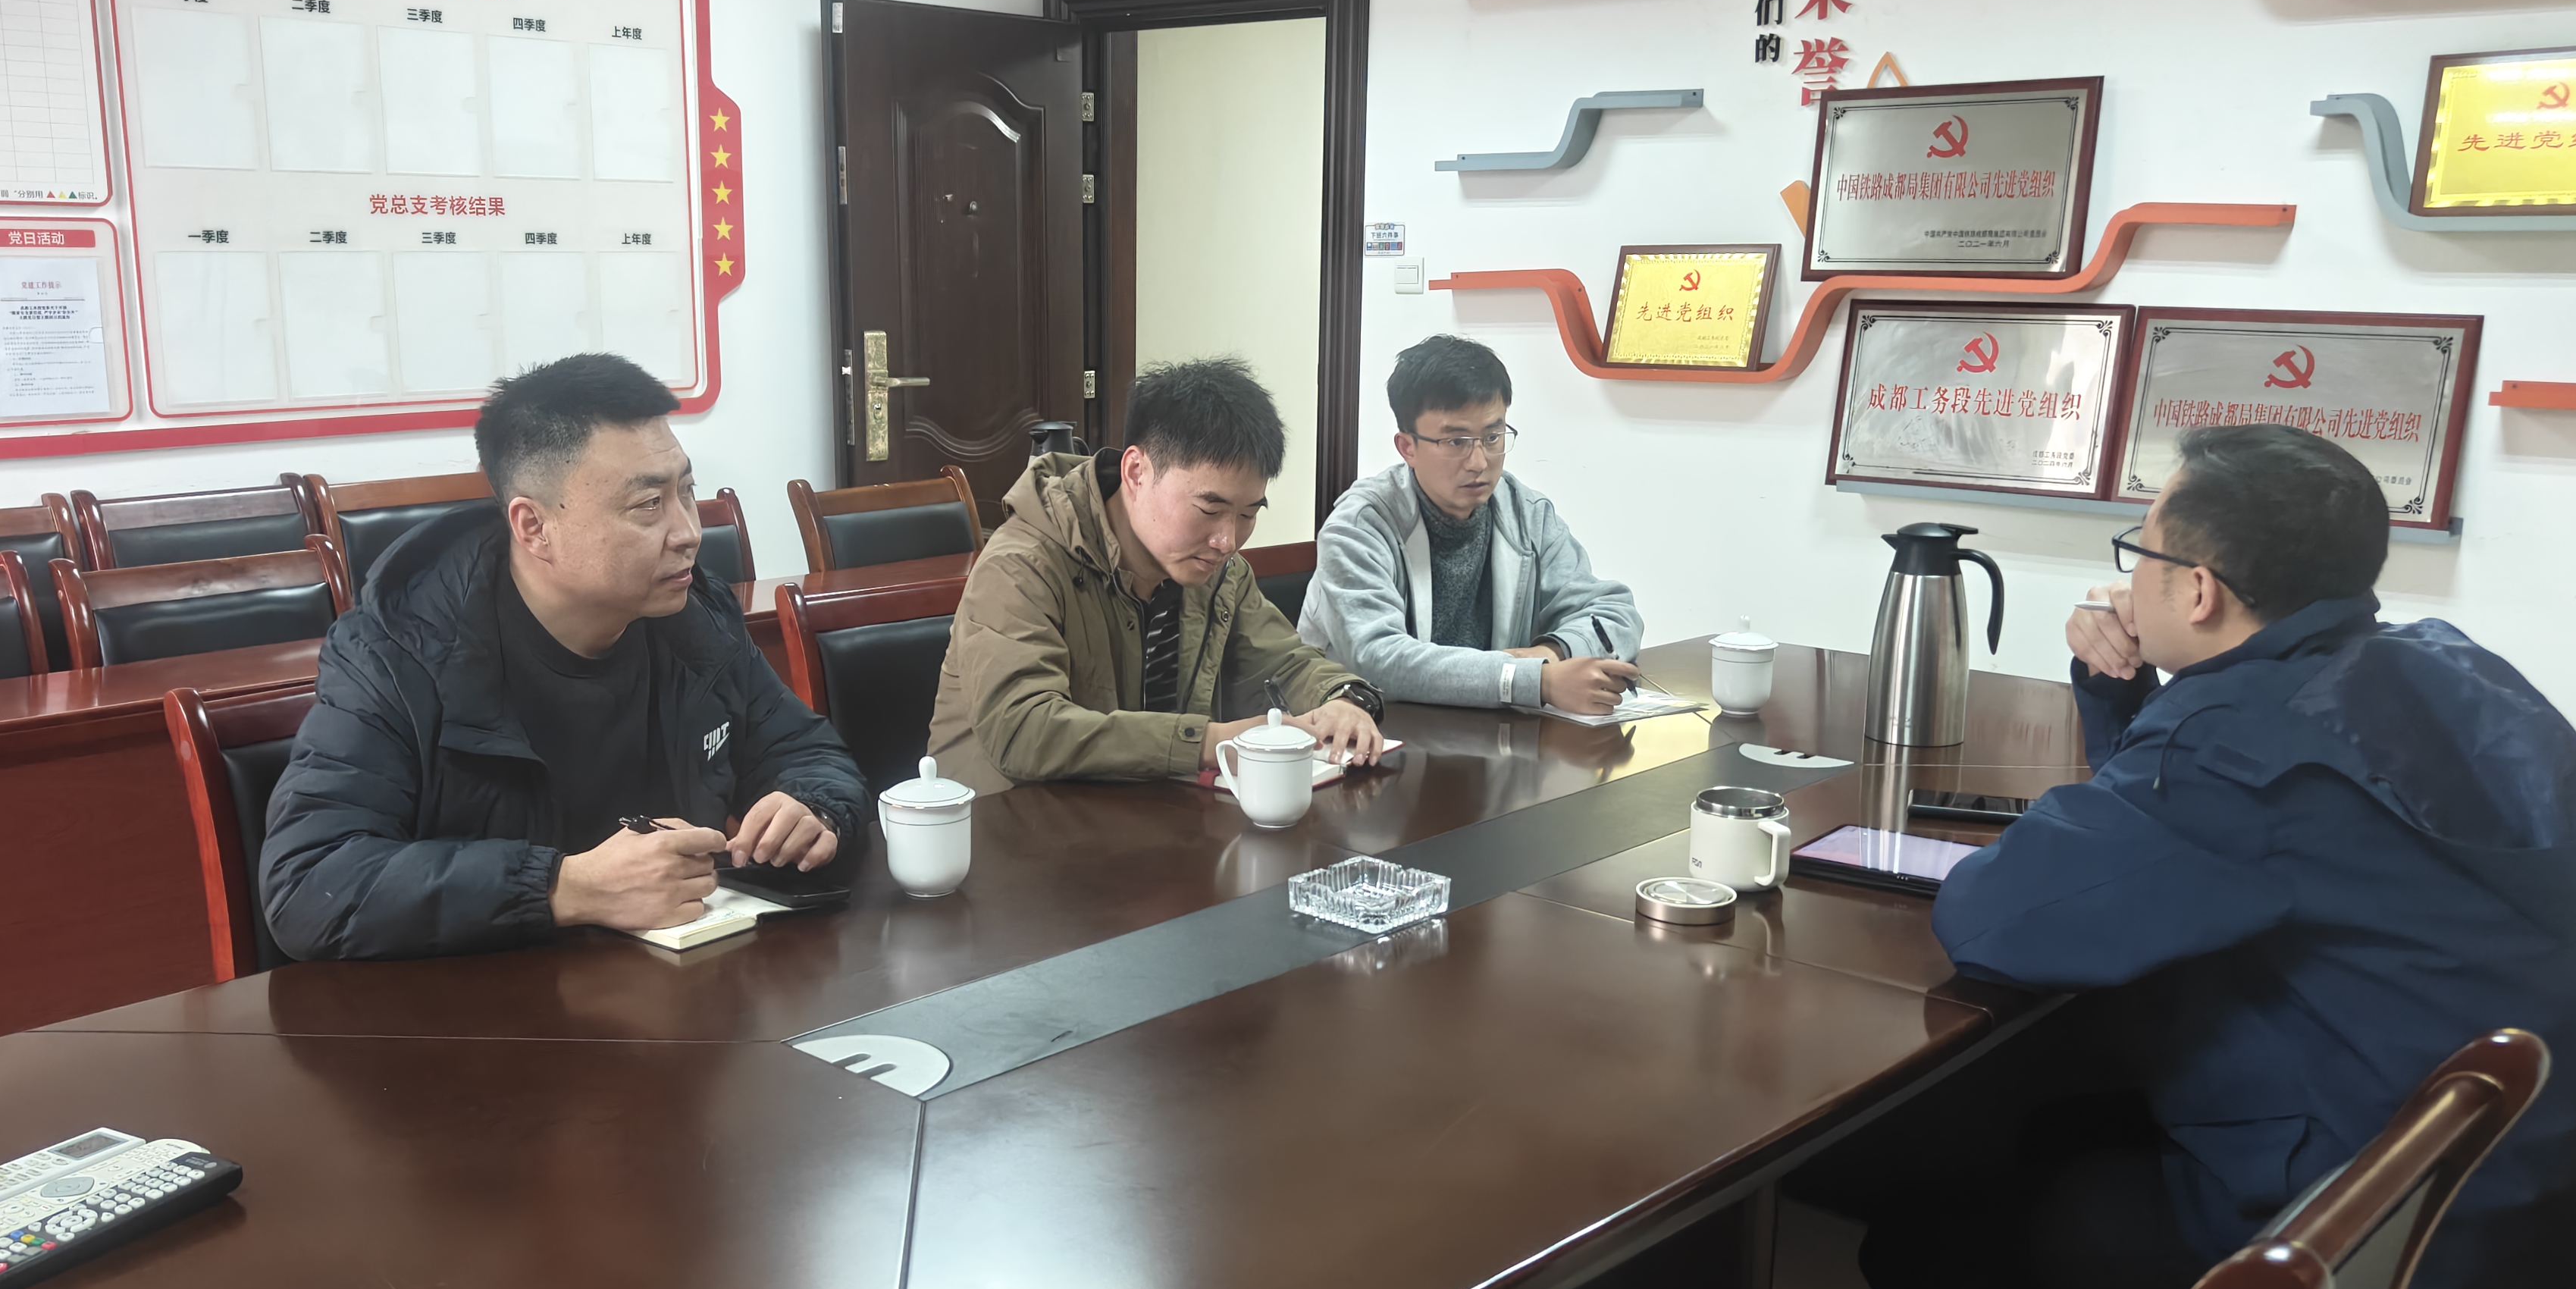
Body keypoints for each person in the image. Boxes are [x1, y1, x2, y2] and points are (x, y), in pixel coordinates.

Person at [1864, 423, 2576, 1289]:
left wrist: (2160, 728)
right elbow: (2196, 836)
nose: (2128, 580)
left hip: (2380, 1273)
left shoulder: (2239, 746)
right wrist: (2130, 695)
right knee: (2064, 1118)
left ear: (2198, 591)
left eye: (2140, 551)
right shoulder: (2431, 668)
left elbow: (1996, 918)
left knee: (1929, 1248)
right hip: (2512, 1217)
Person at [262, 353, 866, 958]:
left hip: (673, 983)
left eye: (686, 491)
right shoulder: (398, 652)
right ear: (534, 527)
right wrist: (564, 887)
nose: (687, 532)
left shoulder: (695, 621)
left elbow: (806, 752)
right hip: (483, 999)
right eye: (647, 505)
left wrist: (813, 808)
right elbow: (309, 883)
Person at [928, 356, 1384, 795]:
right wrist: (1211, 742)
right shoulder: (1022, 565)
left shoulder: (1218, 573)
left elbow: (1284, 663)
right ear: (1136, 472)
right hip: (1005, 828)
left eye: (1248, 514)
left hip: (1145, 817)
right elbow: (1024, 731)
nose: (1227, 540)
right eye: (1209, 509)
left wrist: (1341, 699)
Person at [1300, 335, 1644, 714]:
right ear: (1407, 447)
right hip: (1369, 728)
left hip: (1485, 732)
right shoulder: (1360, 526)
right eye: (1455, 442)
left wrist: (1550, 654)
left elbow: (1615, 614)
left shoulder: (1526, 513)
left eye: (1492, 437)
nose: (1479, 462)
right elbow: (1379, 658)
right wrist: (1535, 680)